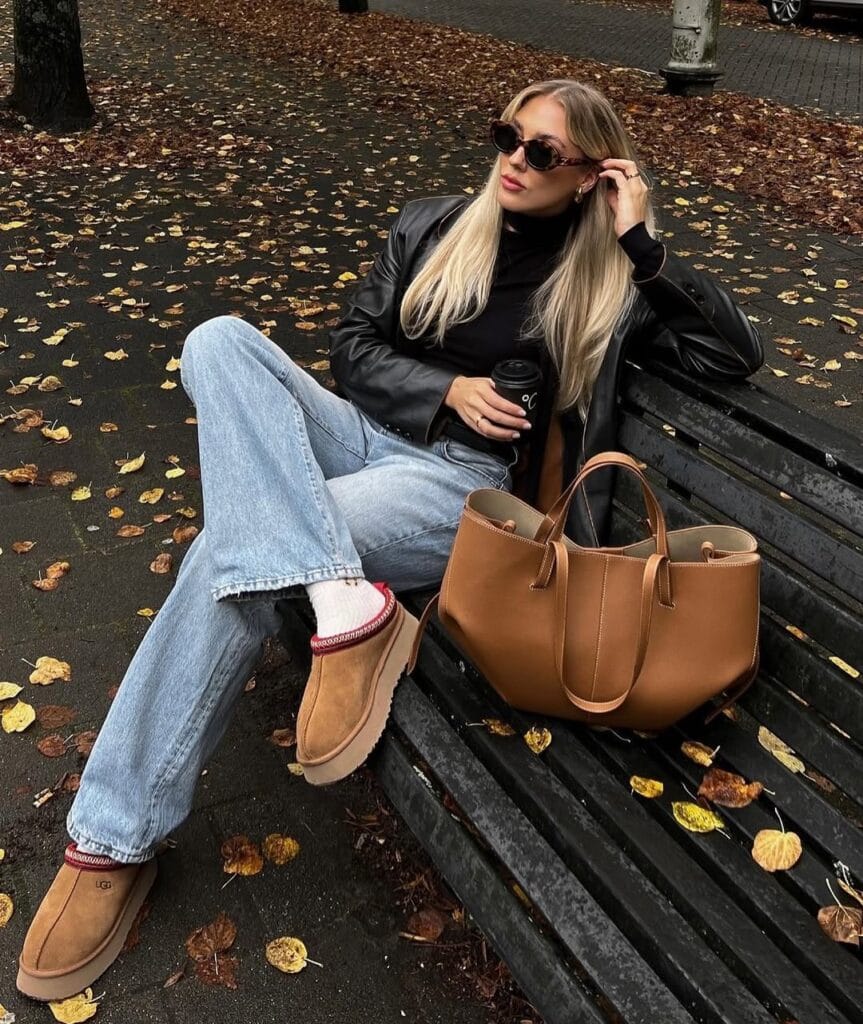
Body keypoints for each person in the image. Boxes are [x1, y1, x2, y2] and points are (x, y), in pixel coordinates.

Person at [16, 77, 762, 1001]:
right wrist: (442, 391)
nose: (514, 160)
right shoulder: (433, 225)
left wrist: (643, 244)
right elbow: (350, 347)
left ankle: (109, 841)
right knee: (217, 341)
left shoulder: (610, 276)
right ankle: (345, 601)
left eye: (543, 152)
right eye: (507, 136)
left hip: (456, 487)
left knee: (229, 557)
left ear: (588, 177)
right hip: (363, 434)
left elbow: (732, 354)